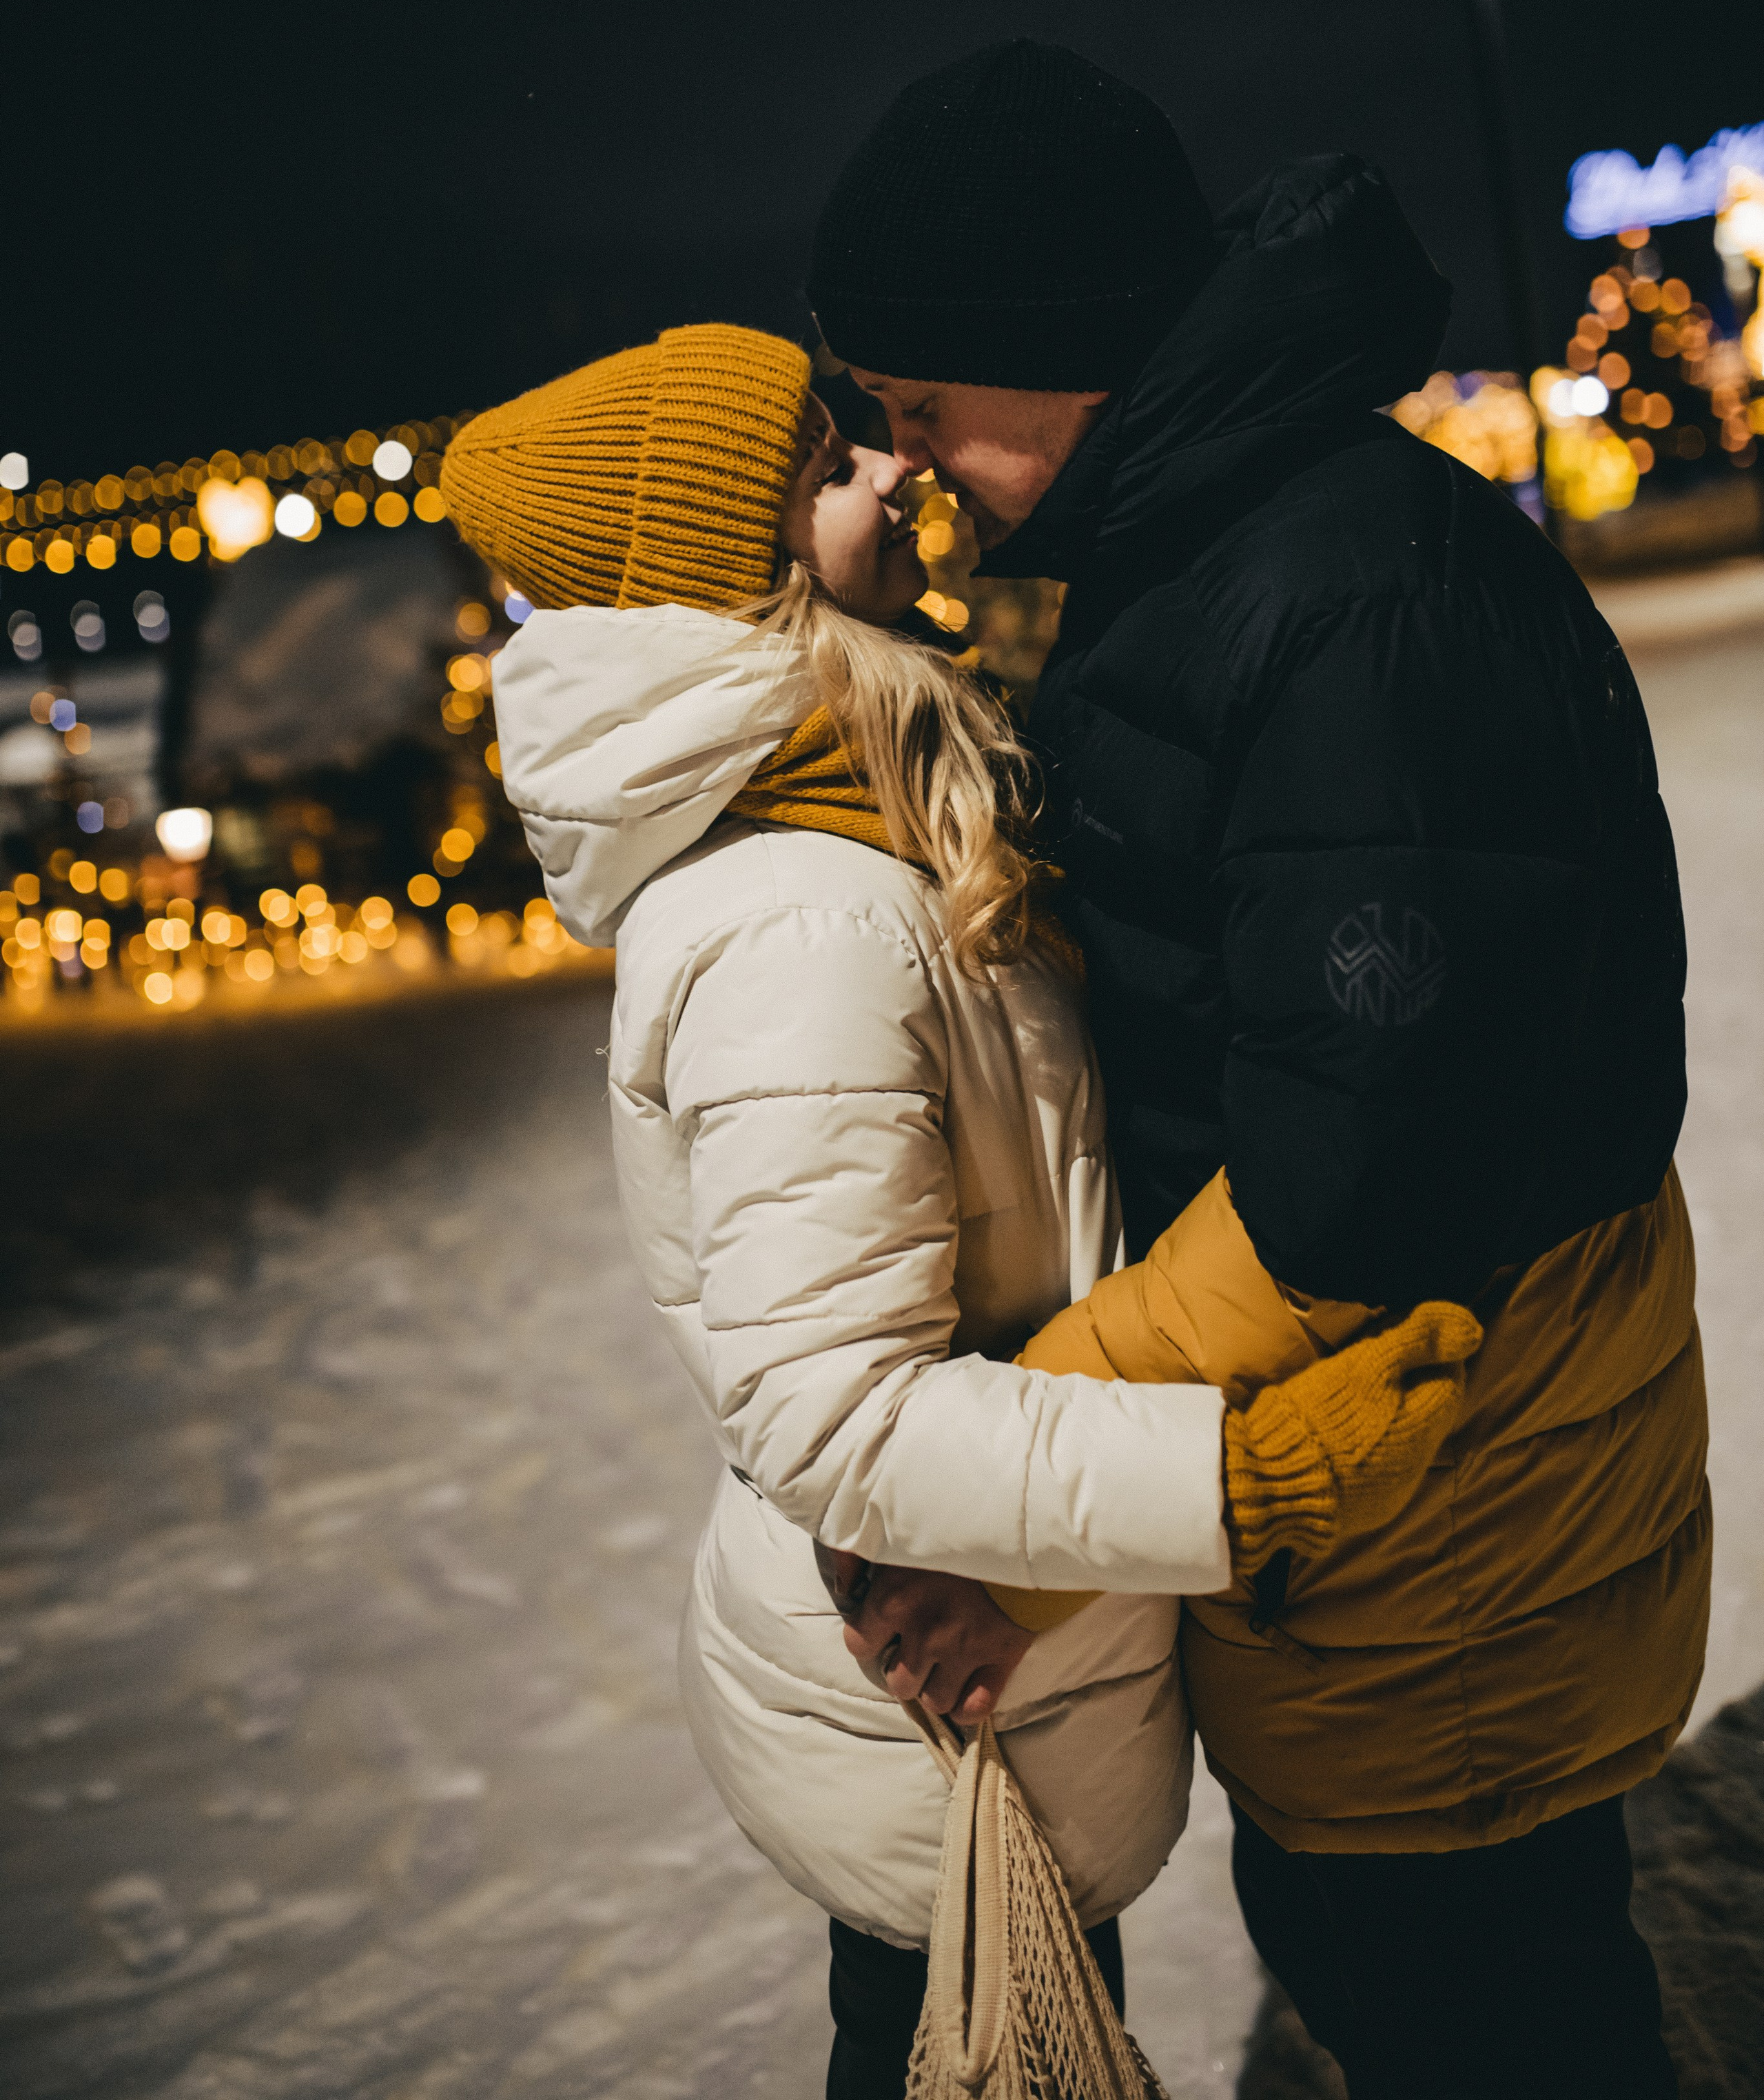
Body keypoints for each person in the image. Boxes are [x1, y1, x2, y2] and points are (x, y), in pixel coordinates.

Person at [809, 40, 1706, 2100]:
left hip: (1451, 1503)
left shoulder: (1345, 604)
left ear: (1049, 348)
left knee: (1480, 2004)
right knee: (1407, 1964)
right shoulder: (1217, 552)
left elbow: (1349, 1189)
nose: (906, 449)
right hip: (1382, 1500)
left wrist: (1003, 1507)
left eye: (919, 398)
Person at [440, 322, 1476, 2099]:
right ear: (737, 576)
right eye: (828, 470)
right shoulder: (804, 923)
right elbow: (827, 1410)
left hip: (986, 1659)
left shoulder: (869, 828)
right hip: (945, 1695)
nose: (893, 472)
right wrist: (1235, 1489)